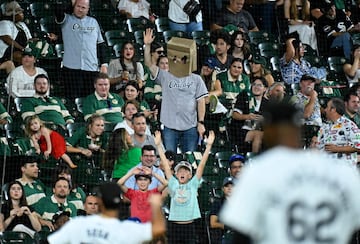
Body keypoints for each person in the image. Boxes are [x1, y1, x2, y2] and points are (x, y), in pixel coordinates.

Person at [220, 101, 360, 243]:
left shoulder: (259, 172)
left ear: (269, 131)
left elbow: (242, 235)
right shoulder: (342, 173)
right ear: (298, 129)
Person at [144, 28, 208, 153]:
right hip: (169, 126)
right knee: (169, 159)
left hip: (190, 126)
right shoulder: (165, 76)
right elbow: (149, 64)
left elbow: (201, 102)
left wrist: (201, 122)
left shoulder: (196, 79)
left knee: (189, 159)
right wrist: (147, 45)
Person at [47, 182, 166, 244]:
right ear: (120, 203)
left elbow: (51, 242)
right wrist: (155, 205)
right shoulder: (127, 229)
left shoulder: (79, 224)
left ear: (100, 201)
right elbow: (159, 228)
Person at [155, 130, 215, 243]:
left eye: (186, 171)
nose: (182, 173)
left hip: (190, 227)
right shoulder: (173, 183)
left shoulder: (193, 185)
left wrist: (209, 146)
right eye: (180, 171)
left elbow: (201, 165)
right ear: (176, 174)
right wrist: (158, 145)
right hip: (174, 226)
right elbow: (166, 167)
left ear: (190, 175)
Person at [55, 0, 108, 99]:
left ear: (88, 9)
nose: (80, 9)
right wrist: (70, 3)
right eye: (78, 6)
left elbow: (100, 44)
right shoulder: (66, 19)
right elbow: (58, 9)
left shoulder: (94, 22)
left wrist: (104, 64)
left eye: (83, 7)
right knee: (71, 99)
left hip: (91, 68)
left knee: (90, 99)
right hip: (71, 69)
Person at [313, 97, 360, 166]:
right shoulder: (324, 126)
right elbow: (319, 147)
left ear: (333, 109)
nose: (325, 110)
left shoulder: (349, 125)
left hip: (343, 170)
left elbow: (358, 146)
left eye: (327, 107)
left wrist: (338, 149)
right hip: (326, 170)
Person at [230, 77, 269, 153]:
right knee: (258, 135)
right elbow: (235, 115)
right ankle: (254, 161)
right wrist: (247, 116)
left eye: (259, 85)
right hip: (241, 131)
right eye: (254, 84)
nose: (256, 87)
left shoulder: (267, 103)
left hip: (260, 130)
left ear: (265, 89)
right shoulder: (244, 96)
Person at [289, 74, 322, 147]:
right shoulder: (295, 98)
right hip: (305, 131)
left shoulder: (314, 98)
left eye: (312, 82)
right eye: (307, 81)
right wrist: (313, 97)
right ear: (300, 84)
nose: (310, 83)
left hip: (318, 131)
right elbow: (306, 115)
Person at [209, 176, 234, 243]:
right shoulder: (217, 203)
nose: (229, 188)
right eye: (227, 186)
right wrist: (225, 226)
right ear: (223, 189)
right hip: (223, 235)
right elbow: (213, 223)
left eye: (232, 186)